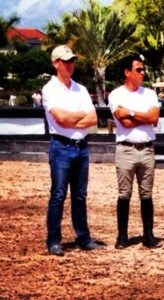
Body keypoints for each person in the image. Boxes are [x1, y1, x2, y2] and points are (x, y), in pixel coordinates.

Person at [42, 45, 103, 256]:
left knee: (80, 195)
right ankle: (53, 240)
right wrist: (78, 117)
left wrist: (70, 120)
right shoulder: (49, 89)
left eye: (72, 61)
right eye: (66, 61)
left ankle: (83, 237)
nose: (70, 65)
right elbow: (61, 119)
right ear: (55, 63)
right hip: (61, 146)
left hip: (80, 147)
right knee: (58, 194)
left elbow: (93, 118)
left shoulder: (81, 88)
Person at [108, 55, 162, 249]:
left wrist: (131, 112)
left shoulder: (149, 94)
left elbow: (154, 117)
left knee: (146, 194)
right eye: (138, 70)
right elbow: (125, 123)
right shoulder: (115, 95)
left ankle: (148, 235)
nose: (142, 73)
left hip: (147, 148)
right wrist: (144, 116)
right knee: (125, 194)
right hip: (126, 149)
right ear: (127, 72)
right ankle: (122, 236)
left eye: (143, 69)